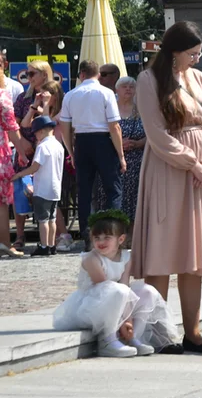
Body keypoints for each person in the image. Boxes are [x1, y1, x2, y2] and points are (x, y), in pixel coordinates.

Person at [132, 21, 202, 354]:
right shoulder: (148, 80)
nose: (197, 59)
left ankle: (193, 331)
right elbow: (156, 134)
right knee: (163, 250)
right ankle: (158, 332)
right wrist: (192, 163)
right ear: (174, 51)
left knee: (192, 254)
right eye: (192, 53)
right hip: (168, 169)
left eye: (199, 52)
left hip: (201, 175)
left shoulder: (198, 78)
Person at [53, 211, 180, 358]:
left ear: (120, 239)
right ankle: (107, 340)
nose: (101, 242)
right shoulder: (91, 259)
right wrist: (124, 319)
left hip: (116, 299)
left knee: (147, 291)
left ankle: (132, 338)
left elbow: (125, 286)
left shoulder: (126, 257)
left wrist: (128, 320)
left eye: (107, 237)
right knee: (117, 290)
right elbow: (104, 289)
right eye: (96, 238)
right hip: (91, 306)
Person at [58, 60, 125, 238]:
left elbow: (64, 128)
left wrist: (71, 151)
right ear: (98, 74)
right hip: (103, 140)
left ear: (81, 74)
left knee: (84, 191)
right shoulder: (106, 93)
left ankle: (87, 234)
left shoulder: (70, 95)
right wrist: (121, 154)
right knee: (113, 189)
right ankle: (113, 231)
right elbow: (114, 127)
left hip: (81, 141)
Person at [93, 76, 145, 221]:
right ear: (116, 89)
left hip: (136, 161)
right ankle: (113, 230)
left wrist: (138, 143)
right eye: (124, 86)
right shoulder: (109, 108)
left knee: (135, 197)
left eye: (131, 86)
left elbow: (151, 134)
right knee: (113, 195)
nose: (128, 89)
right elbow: (101, 133)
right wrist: (118, 143)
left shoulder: (142, 110)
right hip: (113, 159)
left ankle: (132, 233)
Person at [11, 116, 64, 256]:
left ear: (40, 132)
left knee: (43, 220)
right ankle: (52, 245)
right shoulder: (58, 145)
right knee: (52, 219)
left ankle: (44, 246)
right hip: (55, 188)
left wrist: (19, 174)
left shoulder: (42, 146)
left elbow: (35, 167)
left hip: (43, 189)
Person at [0, 84, 22, 258]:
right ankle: (5, 243)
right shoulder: (2, 96)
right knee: (1, 202)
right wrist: (22, 151)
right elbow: (11, 126)